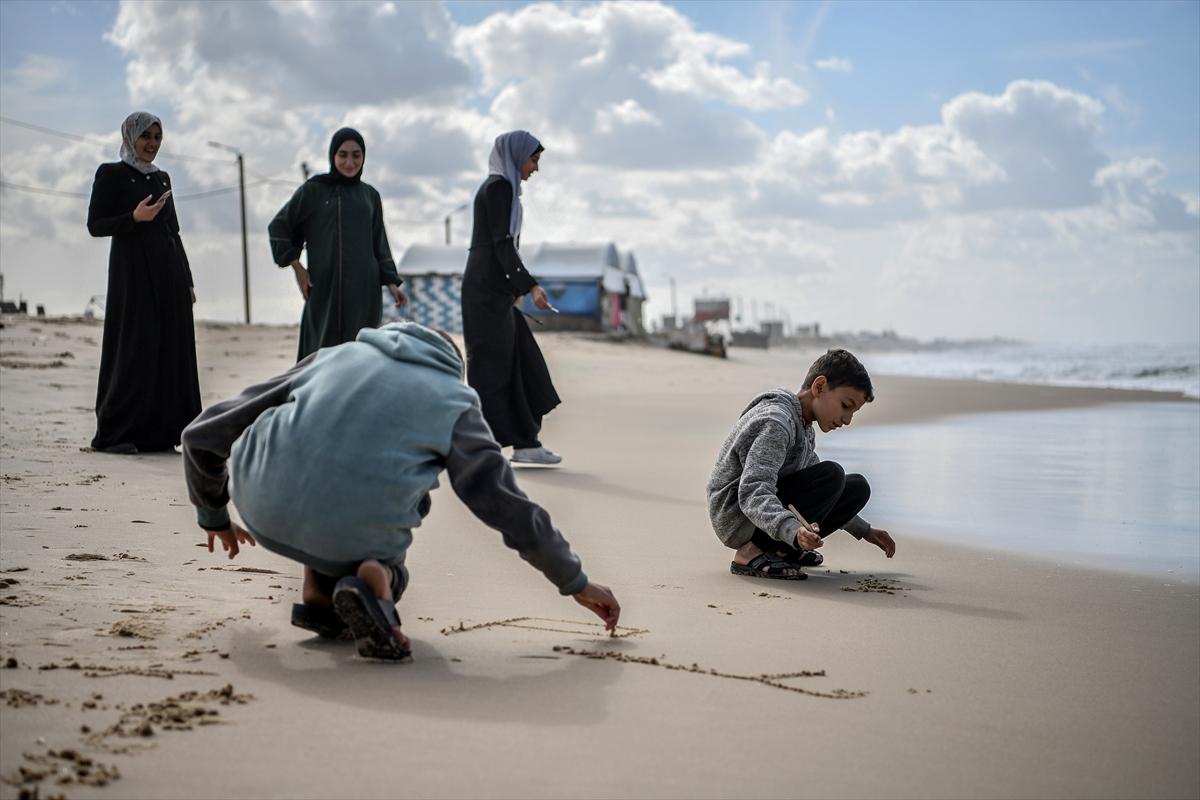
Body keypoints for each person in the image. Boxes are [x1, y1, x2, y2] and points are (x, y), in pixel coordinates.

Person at [181, 321, 621, 661]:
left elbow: (203, 434)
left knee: (324, 459)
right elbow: (503, 503)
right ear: (452, 365)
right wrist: (574, 580)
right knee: (404, 491)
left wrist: (214, 514)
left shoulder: (333, 357)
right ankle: (380, 578)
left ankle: (318, 594)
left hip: (260, 503)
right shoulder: (455, 398)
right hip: (355, 529)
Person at [706, 349, 897, 580]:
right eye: (846, 406)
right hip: (737, 517)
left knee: (856, 487)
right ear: (819, 387)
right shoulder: (775, 423)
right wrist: (792, 531)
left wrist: (864, 530)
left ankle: (781, 550)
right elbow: (753, 491)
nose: (847, 420)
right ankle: (750, 552)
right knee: (832, 474)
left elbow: (822, 491)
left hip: (763, 511)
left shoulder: (804, 427)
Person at [86, 111, 201, 454]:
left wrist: (188, 279)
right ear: (130, 137)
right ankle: (116, 434)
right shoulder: (111, 174)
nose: (151, 144)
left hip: (169, 275)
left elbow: (173, 231)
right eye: (145, 136)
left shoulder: (162, 178)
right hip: (132, 276)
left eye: (156, 137)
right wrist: (133, 218)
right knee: (134, 349)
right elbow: (96, 224)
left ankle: (161, 434)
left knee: (169, 350)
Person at [461, 130, 562, 465]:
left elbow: (502, 246)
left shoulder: (505, 190)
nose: (535, 168)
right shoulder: (499, 188)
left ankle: (525, 441)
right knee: (490, 369)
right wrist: (529, 287)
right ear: (516, 156)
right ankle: (479, 446)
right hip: (485, 293)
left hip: (495, 290)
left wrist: (515, 290)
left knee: (521, 359)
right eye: (533, 159)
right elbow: (501, 244)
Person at [268, 128, 406, 361]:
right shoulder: (314, 190)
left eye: (356, 155)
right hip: (324, 289)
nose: (350, 162)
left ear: (364, 157)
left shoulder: (370, 196)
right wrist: (297, 267)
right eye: (343, 155)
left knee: (361, 356)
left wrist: (391, 282)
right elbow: (279, 227)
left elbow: (378, 241)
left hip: (364, 292)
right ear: (333, 156)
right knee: (319, 356)